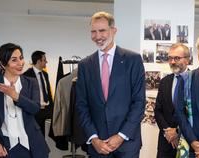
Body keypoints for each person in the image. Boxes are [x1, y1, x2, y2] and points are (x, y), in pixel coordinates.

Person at [75, 11, 145, 157]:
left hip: (127, 144)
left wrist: (121, 136)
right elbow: (81, 105)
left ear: (113, 31)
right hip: (98, 145)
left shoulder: (133, 60)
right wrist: (93, 138)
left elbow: (138, 102)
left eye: (102, 31)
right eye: (93, 31)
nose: (97, 36)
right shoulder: (85, 65)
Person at [0, 43, 49, 158]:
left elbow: (35, 108)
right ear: (3, 64)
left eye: (21, 58)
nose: (20, 63)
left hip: (32, 145)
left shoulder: (31, 82)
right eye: (14, 60)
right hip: (3, 146)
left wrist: (16, 96)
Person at [154, 43, 190, 158]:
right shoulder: (164, 81)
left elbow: (194, 113)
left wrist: (178, 131)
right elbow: (158, 111)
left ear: (187, 60)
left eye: (177, 58)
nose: (173, 62)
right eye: (170, 58)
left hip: (187, 140)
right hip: (166, 141)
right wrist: (168, 132)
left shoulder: (195, 81)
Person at [23, 50, 54, 137]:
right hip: (35, 110)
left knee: (46, 134)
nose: (46, 62)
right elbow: (25, 96)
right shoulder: (26, 75)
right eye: (44, 60)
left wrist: (52, 107)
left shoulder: (45, 74)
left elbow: (48, 91)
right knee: (37, 136)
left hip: (47, 109)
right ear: (38, 61)